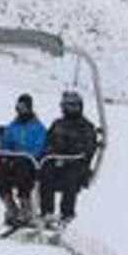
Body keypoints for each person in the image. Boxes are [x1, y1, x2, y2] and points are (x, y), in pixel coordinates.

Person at [39, 90, 100, 225]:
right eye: (67, 106)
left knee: (70, 176)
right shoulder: (58, 124)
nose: (70, 109)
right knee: (45, 170)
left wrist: (68, 157)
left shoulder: (86, 127)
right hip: (55, 162)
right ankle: (47, 212)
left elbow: (88, 149)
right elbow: (47, 142)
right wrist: (51, 154)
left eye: (73, 106)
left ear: (79, 107)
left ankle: (67, 213)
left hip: (76, 165)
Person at [0, 94, 46, 226]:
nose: (20, 110)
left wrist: (26, 155)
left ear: (29, 108)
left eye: (23, 107)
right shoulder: (13, 125)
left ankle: (26, 206)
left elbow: (39, 147)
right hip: (15, 159)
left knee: (22, 171)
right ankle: (10, 206)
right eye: (18, 107)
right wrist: (7, 154)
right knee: (0, 173)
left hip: (30, 161)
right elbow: (6, 141)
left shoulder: (37, 127)